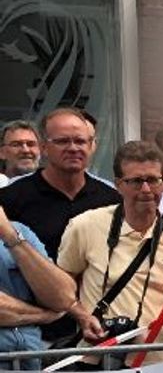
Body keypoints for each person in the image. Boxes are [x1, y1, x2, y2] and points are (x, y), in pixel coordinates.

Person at [59, 141, 163, 362]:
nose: (146, 190)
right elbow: (61, 288)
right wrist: (82, 317)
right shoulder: (84, 226)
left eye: (153, 180)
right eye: (136, 181)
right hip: (99, 361)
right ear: (118, 184)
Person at [0, 108, 121, 346]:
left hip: (101, 333)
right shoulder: (10, 199)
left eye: (80, 141)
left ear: (92, 145)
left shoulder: (113, 199)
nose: (73, 148)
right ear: (44, 148)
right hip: (33, 336)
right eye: (63, 141)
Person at [0, 204, 77, 369]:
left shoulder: (18, 231)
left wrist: (10, 235)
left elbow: (63, 297)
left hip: (30, 363)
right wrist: (44, 315)